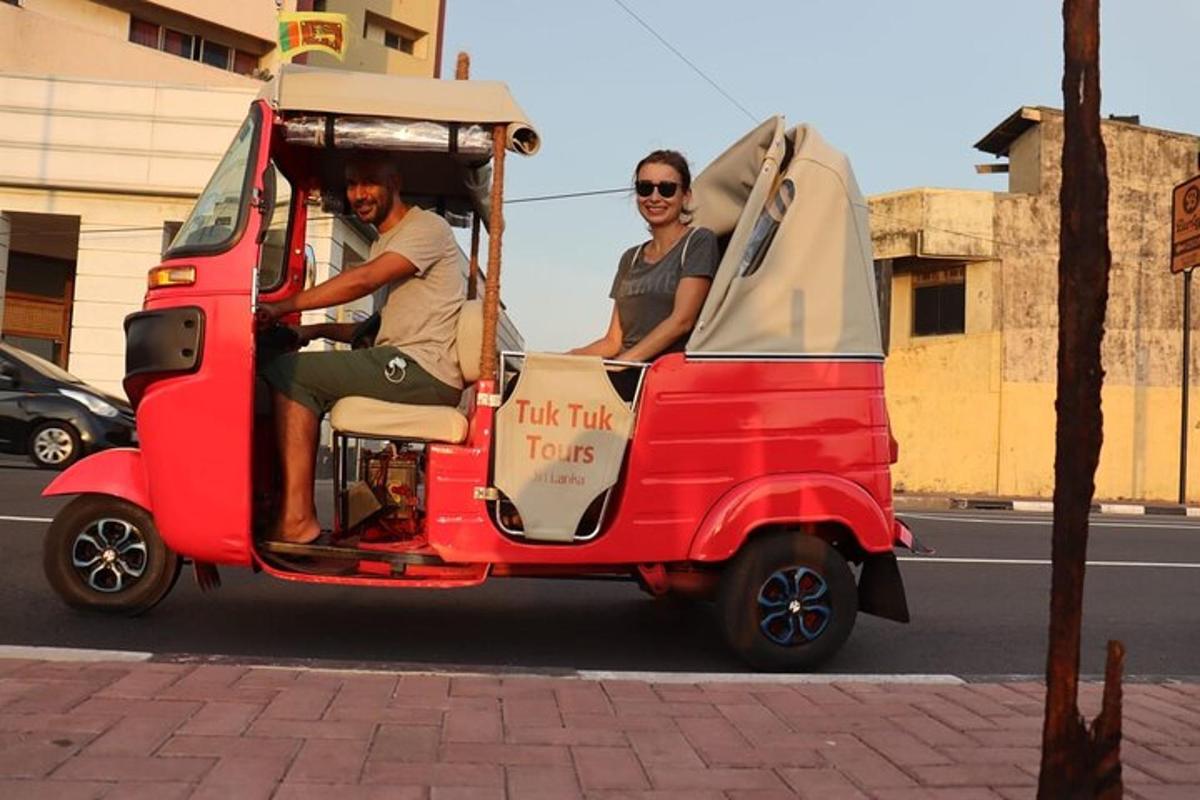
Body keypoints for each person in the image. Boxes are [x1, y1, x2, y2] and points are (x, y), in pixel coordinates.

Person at [258, 157, 466, 545]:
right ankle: (290, 508)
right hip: (402, 360)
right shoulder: (384, 242)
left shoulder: (426, 228)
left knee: (293, 374)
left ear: (395, 182)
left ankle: (296, 518)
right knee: (294, 367)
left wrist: (285, 306)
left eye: (369, 182)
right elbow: (374, 329)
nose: (358, 194)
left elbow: (364, 280)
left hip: (423, 368)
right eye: (352, 184)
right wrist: (312, 330)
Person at [571, 149, 719, 383]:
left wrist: (623, 363)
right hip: (624, 369)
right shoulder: (630, 258)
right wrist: (563, 358)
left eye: (667, 189)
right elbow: (613, 341)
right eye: (645, 188)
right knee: (526, 380)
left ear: (686, 196)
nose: (654, 197)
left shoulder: (699, 242)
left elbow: (681, 321)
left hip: (662, 374)